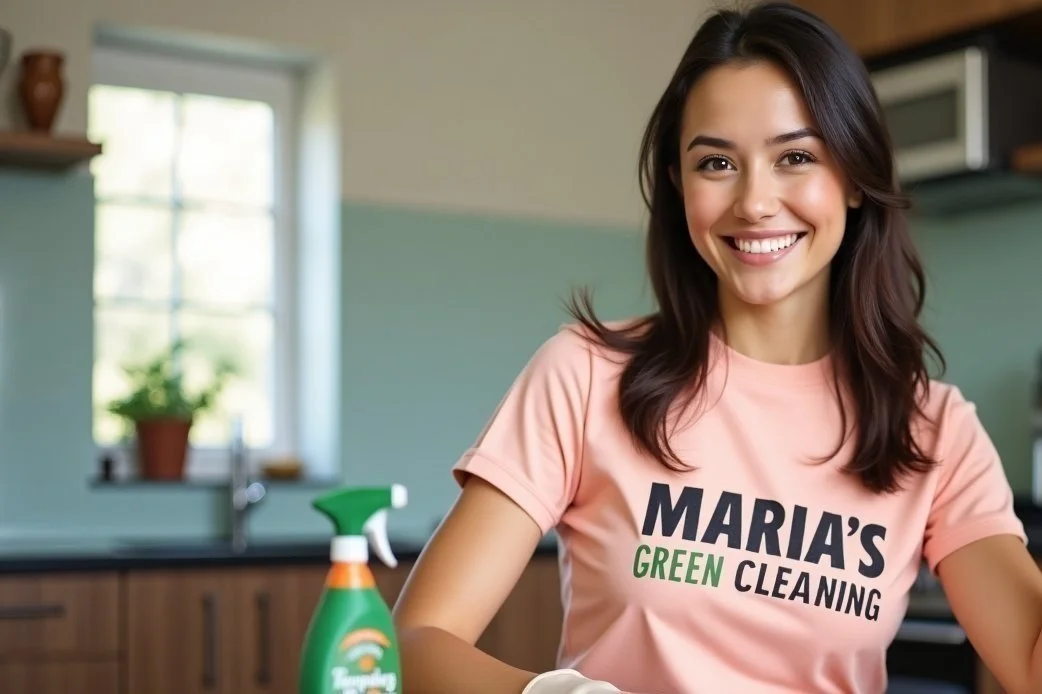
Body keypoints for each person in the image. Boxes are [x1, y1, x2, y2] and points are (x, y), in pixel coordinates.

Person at [392, 2, 1042, 693]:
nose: (755, 202)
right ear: (678, 184)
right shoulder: (586, 376)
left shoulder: (934, 431)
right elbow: (418, 640)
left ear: (852, 177)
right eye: (716, 163)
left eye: (796, 157)